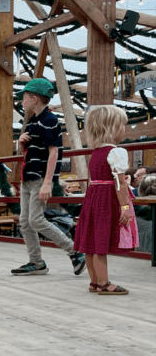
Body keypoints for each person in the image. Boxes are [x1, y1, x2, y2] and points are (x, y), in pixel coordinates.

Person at [11, 78, 86, 278]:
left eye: (24, 99)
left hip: (39, 178)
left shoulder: (49, 120)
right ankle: (36, 262)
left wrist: (48, 182)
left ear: (34, 99)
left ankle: (75, 250)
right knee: (25, 222)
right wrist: (21, 143)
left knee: (35, 219)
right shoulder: (32, 122)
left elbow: (54, 152)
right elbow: (30, 152)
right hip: (27, 178)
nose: (22, 102)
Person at [74, 106, 137, 295]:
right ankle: (104, 283)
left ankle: (94, 282)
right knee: (101, 242)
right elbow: (120, 184)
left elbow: (95, 180)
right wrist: (125, 206)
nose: (124, 129)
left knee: (91, 241)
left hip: (93, 198)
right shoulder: (116, 152)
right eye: (122, 125)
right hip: (107, 199)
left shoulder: (95, 153)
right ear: (113, 128)